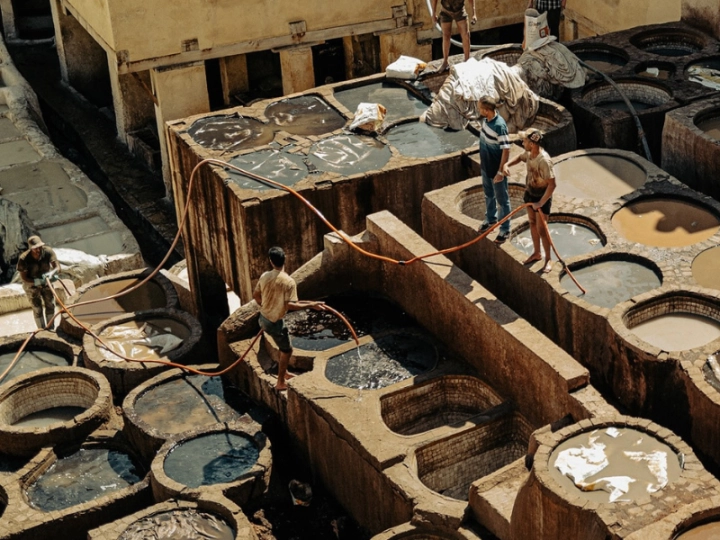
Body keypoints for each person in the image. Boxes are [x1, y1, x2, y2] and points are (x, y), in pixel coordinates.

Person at [253, 247, 324, 391]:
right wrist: (312, 305)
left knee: (282, 346)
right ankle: (280, 382)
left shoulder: (265, 276)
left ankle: (284, 372)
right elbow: (291, 305)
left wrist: (266, 306)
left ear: (271, 261)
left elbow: (256, 296)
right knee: (287, 350)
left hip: (263, 319)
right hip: (274, 323)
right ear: (285, 260)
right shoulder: (289, 282)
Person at [502, 129, 556, 273]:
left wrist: (541, 203)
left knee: (542, 230)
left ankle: (548, 259)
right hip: (530, 193)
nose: (522, 143)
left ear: (532, 144)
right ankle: (537, 253)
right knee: (532, 223)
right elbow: (520, 157)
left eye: (524, 141)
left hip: (542, 197)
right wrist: (507, 165)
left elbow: (552, 185)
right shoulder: (529, 153)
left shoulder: (544, 161)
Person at [478, 97, 511, 244]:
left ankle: (505, 229)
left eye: (480, 108)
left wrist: (500, 172)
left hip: (496, 169)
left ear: (486, 110)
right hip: (486, 166)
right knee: (489, 194)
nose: (478, 110)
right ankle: (491, 219)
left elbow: (506, 149)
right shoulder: (486, 121)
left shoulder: (499, 126)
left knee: (502, 200)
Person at [17, 235, 60, 330]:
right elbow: (24, 278)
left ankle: (50, 328)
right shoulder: (24, 258)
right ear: (30, 248)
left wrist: (52, 273)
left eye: (39, 247)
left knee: (50, 305)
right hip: (31, 285)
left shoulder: (48, 252)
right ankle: (41, 330)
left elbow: (57, 267)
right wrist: (37, 282)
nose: (38, 250)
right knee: (37, 308)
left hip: (46, 283)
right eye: (35, 248)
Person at [432, 0, 477, 72]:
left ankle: (467, 60)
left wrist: (474, 13)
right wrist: (433, 13)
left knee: (466, 35)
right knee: (446, 36)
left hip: (459, 10)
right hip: (445, 11)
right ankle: (445, 62)